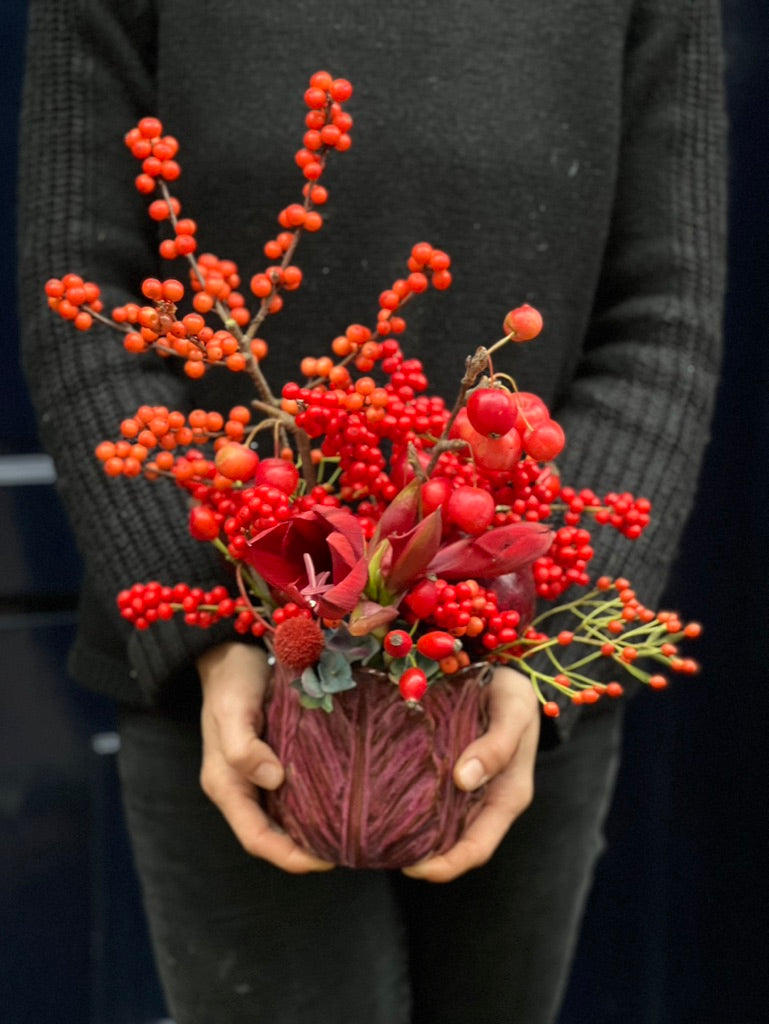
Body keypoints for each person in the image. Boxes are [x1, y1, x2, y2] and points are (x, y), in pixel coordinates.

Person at [17, 1, 726, 1021]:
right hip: (225, 683)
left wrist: (539, 645)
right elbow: (81, 302)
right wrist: (219, 633)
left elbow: (663, 315)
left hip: (513, 682)